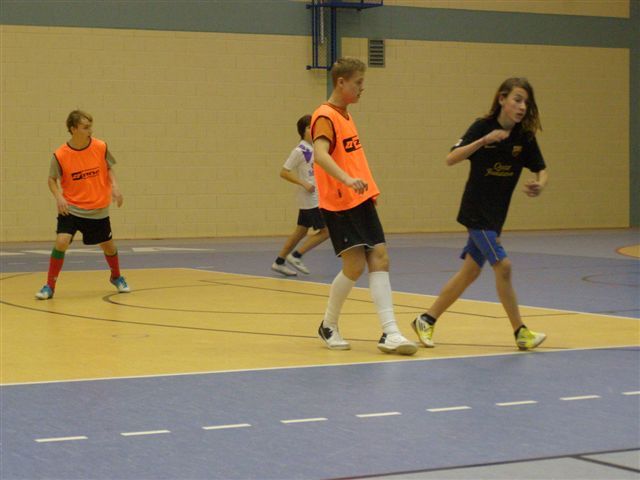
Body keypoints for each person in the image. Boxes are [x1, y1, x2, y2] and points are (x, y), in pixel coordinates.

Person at [412, 77, 548, 350]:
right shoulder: (482, 127)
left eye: (526, 102)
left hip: (496, 218)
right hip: (476, 213)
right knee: (504, 267)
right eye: (517, 99)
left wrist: (540, 184)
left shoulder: (524, 137)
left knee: (470, 273)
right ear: (502, 99)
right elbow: (451, 158)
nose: (522, 107)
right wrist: (484, 140)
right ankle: (520, 332)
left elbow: (541, 168)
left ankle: (426, 319)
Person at [311, 57, 417, 355]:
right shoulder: (324, 116)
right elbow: (320, 154)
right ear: (341, 82)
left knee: (380, 258)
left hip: (359, 199)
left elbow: (352, 158)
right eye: (358, 82)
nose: (362, 88)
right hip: (340, 202)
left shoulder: (345, 116)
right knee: (355, 266)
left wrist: (367, 189)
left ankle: (390, 333)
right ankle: (329, 325)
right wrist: (347, 179)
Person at [35, 110, 130, 299]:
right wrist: (59, 197)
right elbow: (51, 180)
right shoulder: (60, 154)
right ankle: (49, 286)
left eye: (90, 127)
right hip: (71, 208)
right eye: (85, 127)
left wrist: (115, 187)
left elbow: (109, 168)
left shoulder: (100, 146)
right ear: (73, 129)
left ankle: (116, 277)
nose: (90, 130)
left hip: (97, 209)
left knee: (109, 247)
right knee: (61, 241)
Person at [271, 115, 330, 276]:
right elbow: (284, 172)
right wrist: (303, 183)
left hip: (313, 197)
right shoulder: (300, 151)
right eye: (310, 127)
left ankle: (279, 262)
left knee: (301, 231)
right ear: (303, 131)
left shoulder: (315, 149)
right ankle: (296, 255)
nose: (313, 130)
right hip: (311, 198)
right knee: (326, 231)